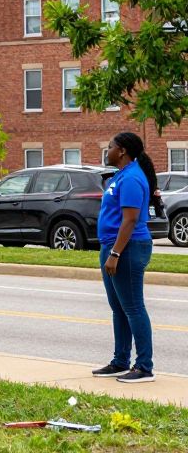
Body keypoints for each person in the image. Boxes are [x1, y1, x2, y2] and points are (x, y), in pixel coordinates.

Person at [93, 131, 157, 383]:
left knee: (133, 307)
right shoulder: (121, 175)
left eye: (110, 147)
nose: (106, 151)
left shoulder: (131, 178)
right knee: (118, 308)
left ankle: (144, 367)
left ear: (122, 151)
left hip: (127, 248)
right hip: (112, 246)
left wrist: (115, 253)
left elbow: (130, 220)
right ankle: (120, 361)